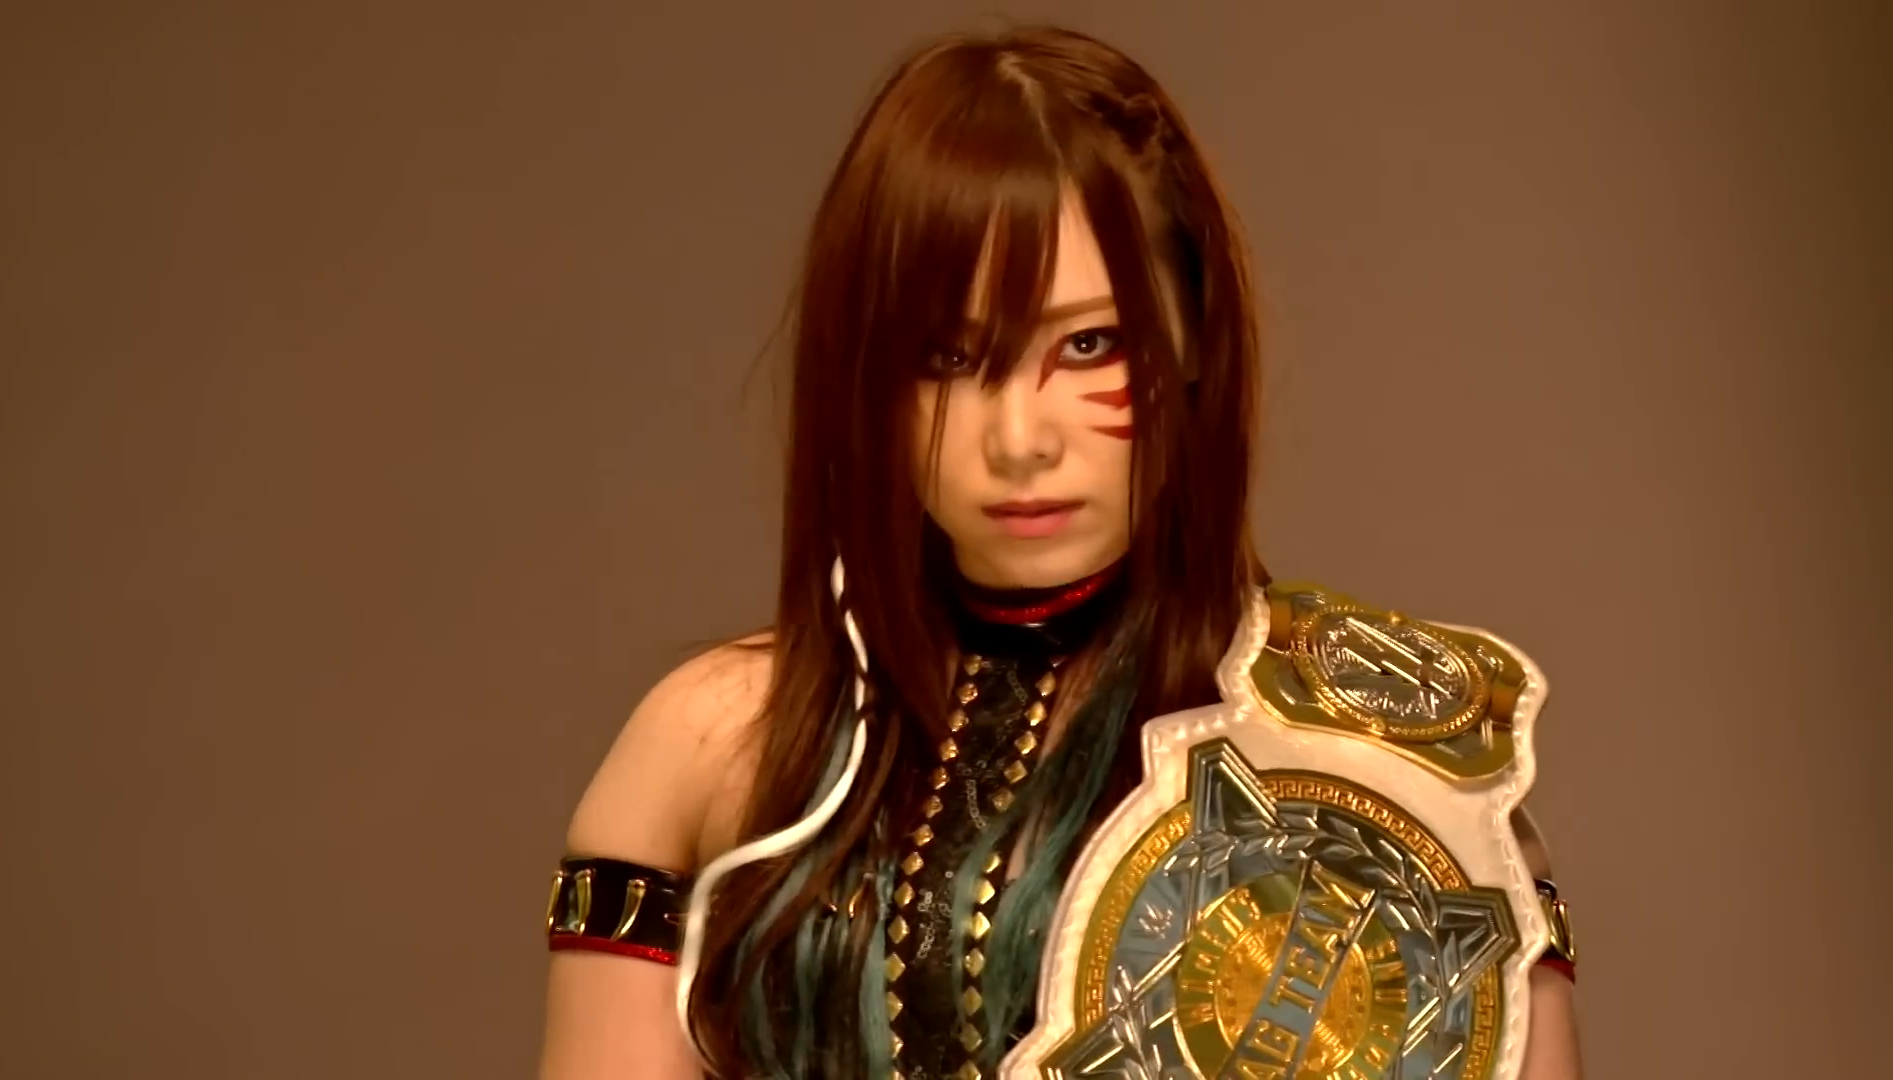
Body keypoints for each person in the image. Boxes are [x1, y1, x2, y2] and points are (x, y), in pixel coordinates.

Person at [539, 24, 1582, 1080]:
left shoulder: (1402, 773)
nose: (1020, 440)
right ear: (862, 378)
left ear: (1194, 339)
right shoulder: (706, 751)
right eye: (948, 358)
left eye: (1090, 344)